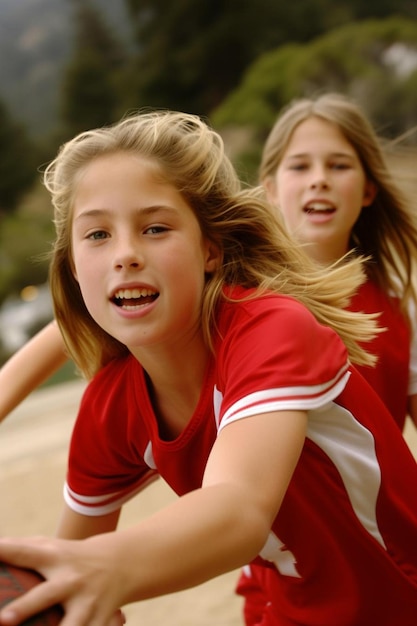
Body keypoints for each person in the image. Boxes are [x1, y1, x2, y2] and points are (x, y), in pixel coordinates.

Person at [0, 110, 417, 626]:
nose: (125, 253)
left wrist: (104, 569)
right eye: (97, 235)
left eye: (155, 227)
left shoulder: (272, 328)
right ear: (71, 268)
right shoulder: (111, 405)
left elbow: (238, 508)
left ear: (210, 249)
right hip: (285, 609)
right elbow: (69, 563)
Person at [237, 91, 417, 624]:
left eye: (339, 165)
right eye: (301, 165)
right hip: (287, 582)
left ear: (368, 189)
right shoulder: (235, 307)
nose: (319, 178)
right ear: (269, 190)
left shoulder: (400, 307)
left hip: (394, 563)